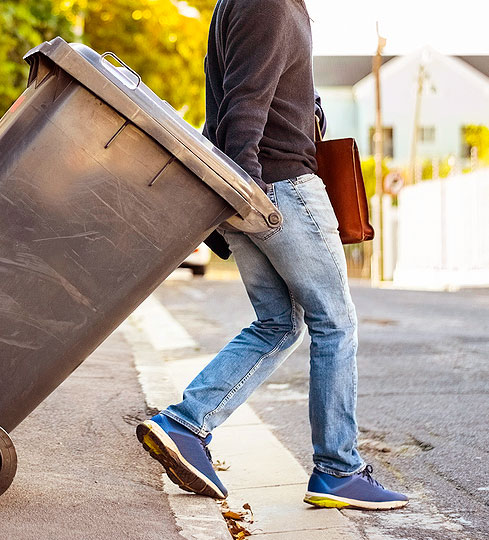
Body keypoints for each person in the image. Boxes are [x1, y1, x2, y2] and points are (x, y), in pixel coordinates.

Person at [136, 0, 408, 510]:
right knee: (336, 322)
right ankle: (338, 469)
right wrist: (246, 196)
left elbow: (238, 96)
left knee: (279, 324)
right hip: (278, 187)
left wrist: (228, 200)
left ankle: (186, 424)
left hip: (249, 184)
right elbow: (244, 102)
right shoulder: (270, 3)